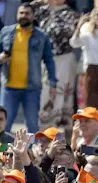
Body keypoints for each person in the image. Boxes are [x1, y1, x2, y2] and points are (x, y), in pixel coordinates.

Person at [0, 2, 57, 133]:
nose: (24, 16)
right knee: (4, 125)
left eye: (27, 13)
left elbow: (49, 61)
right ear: (17, 15)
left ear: (33, 16)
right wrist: (0, 58)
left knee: (32, 125)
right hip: (9, 87)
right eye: (21, 13)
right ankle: (2, 152)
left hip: (31, 88)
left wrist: (52, 83)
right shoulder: (6, 32)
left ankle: (32, 152)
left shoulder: (41, 36)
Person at [31, 0, 79, 131]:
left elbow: (70, 34)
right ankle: (45, 133)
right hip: (46, 59)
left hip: (65, 58)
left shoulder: (71, 14)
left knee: (64, 95)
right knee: (46, 94)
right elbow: (28, 8)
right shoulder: (41, 10)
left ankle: (66, 136)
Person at [71, 6, 98, 126]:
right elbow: (74, 43)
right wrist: (79, 27)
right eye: (97, 15)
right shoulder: (88, 34)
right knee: (93, 101)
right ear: (93, 17)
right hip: (92, 69)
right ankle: (94, 128)